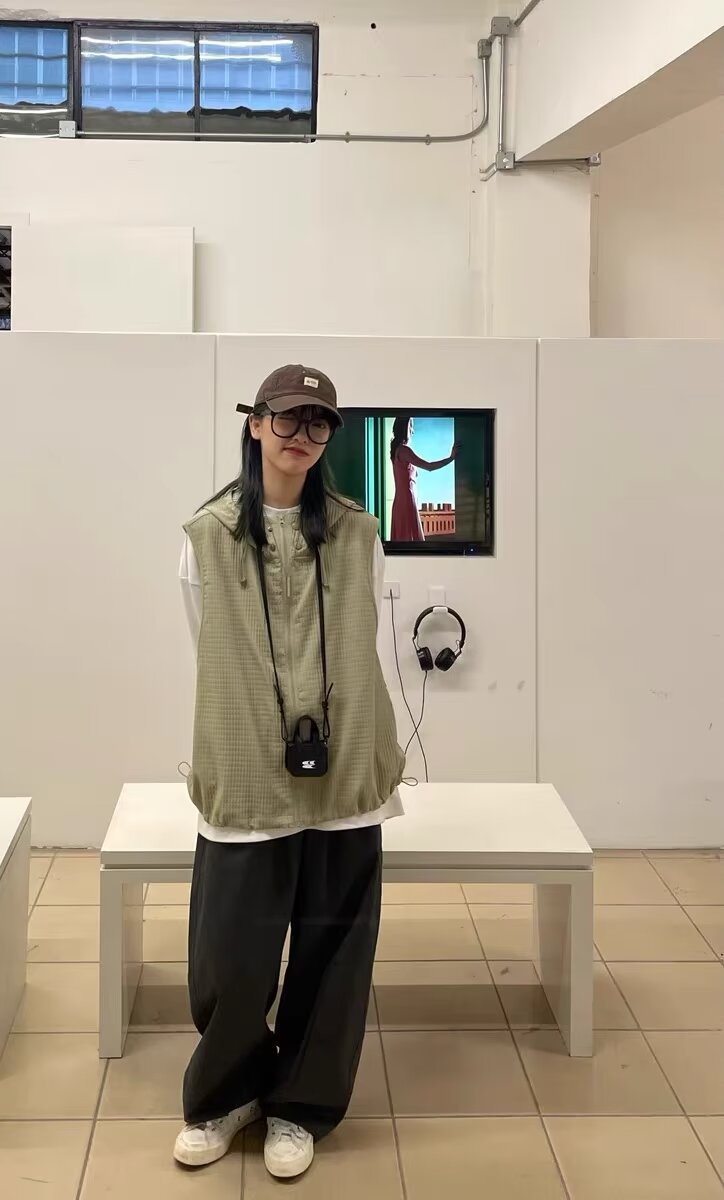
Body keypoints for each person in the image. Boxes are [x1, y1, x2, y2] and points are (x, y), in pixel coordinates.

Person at [175, 364, 406, 1179]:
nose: (301, 436)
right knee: (230, 954)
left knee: (332, 949)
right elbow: (210, 647)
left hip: (345, 774)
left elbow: (366, 645)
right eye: (287, 418)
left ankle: (300, 1106)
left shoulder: (358, 532)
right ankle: (227, 1094)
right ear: (254, 424)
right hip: (245, 770)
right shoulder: (206, 534)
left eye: (318, 423)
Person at [389, 416, 457, 542]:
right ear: (405, 428)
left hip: (400, 501)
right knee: (411, 541)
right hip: (407, 501)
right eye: (411, 426)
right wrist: (451, 458)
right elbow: (429, 466)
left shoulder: (397, 451)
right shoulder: (404, 450)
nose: (412, 430)